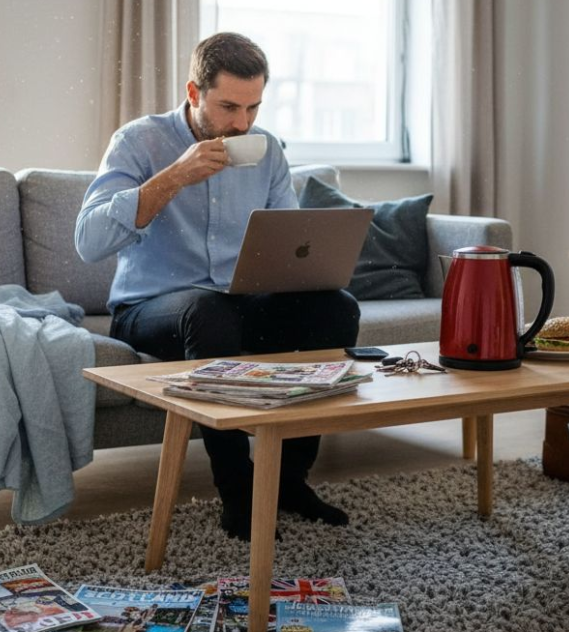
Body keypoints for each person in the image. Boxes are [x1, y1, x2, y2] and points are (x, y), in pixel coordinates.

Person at [75, 32, 358, 540]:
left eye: (253, 108)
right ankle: (239, 491)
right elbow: (88, 240)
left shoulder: (266, 151)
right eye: (229, 107)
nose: (242, 123)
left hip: (238, 304)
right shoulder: (139, 141)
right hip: (150, 308)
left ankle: (289, 480)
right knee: (208, 312)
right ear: (193, 92)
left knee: (336, 308)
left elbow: (289, 241)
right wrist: (174, 177)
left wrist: (309, 268)